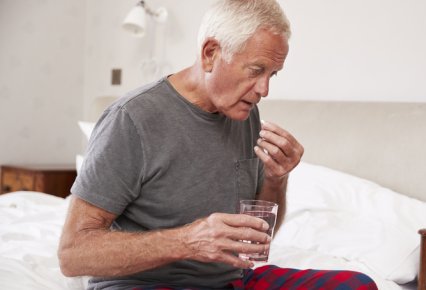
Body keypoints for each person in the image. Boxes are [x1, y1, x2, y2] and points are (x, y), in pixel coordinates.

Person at [58, 0, 377, 289]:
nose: (264, 89)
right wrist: (188, 241)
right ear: (210, 53)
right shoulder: (131, 119)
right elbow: (72, 254)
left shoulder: (247, 117)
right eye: (256, 71)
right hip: (145, 284)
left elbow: (256, 241)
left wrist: (277, 180)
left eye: (273, 75)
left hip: (230, 281)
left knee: (358, 286)